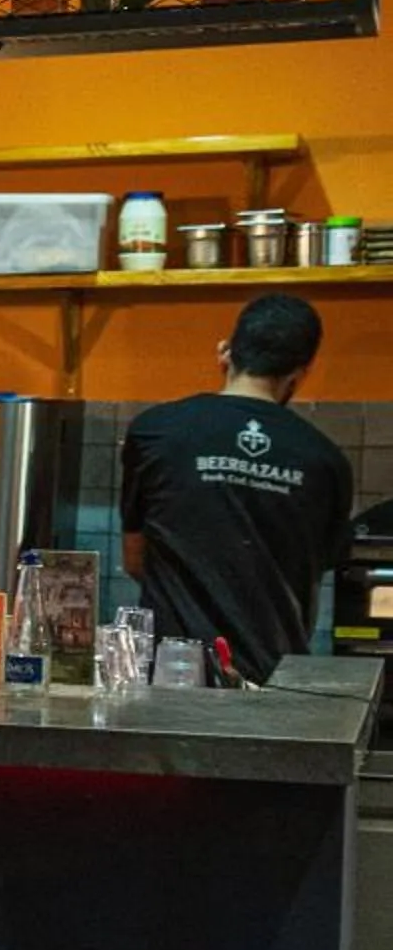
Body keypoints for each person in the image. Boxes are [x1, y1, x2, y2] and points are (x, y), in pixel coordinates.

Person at [120, 293, 353, 684]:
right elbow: (311, 573)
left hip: (172, 679)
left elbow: (135, 559)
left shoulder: (155, 431)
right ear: (300, 372)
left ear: (225, 351)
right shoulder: (326, 462)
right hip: (272, 683)